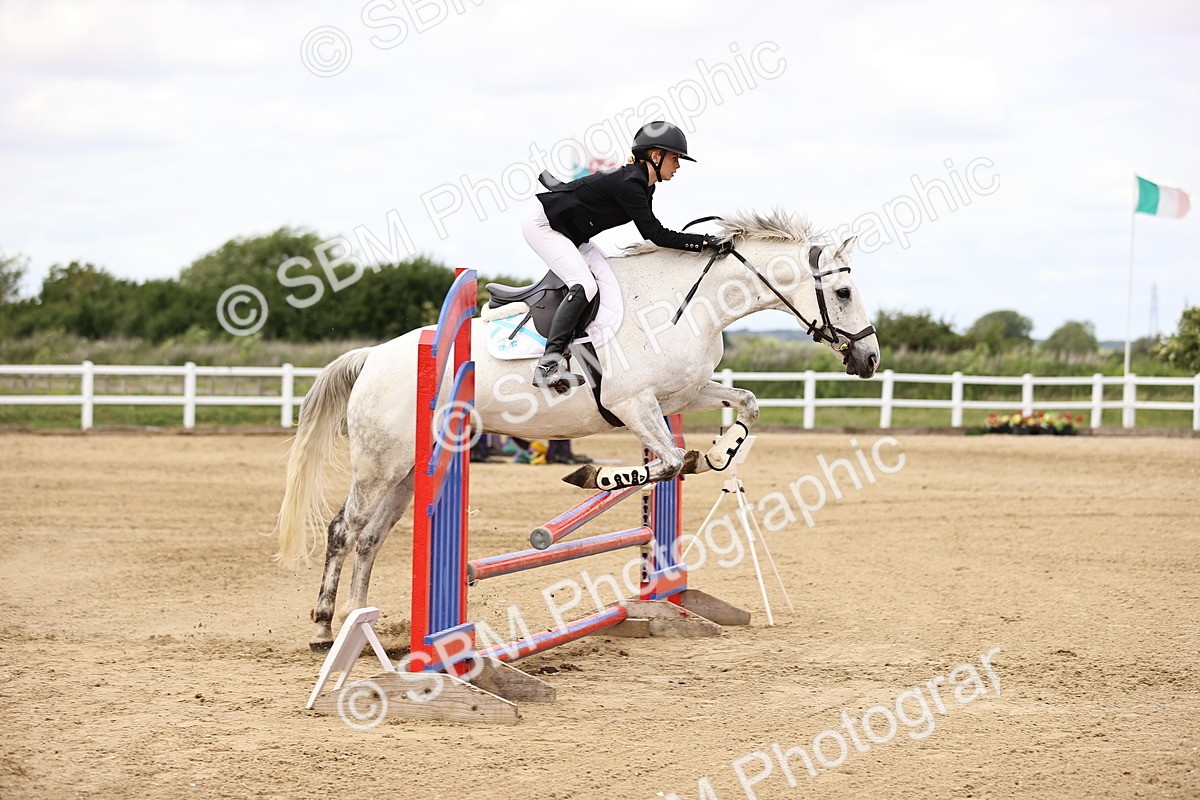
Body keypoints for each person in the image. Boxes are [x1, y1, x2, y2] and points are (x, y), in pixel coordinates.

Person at [523, 121, 732, 393]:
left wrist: (704, 243)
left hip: (569, 232)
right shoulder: (630, 183)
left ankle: (585, 355)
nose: (678, 165)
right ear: (655, 156)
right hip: (544, 226)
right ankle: (548, 364)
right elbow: (655, 235)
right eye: (675, 158)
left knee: (609, 279)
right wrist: (705, 242)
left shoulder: (644, 185)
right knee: (584, 285)